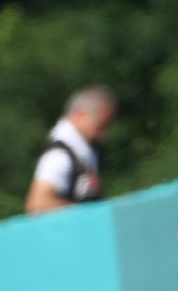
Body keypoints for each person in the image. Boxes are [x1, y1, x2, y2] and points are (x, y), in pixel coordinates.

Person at [25, 86, 116, 214]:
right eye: (100, 128)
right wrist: (90, 214)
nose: (104, 137)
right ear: (80, 115)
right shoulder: (59, 155)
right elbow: (39, 204)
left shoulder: (82, 152)